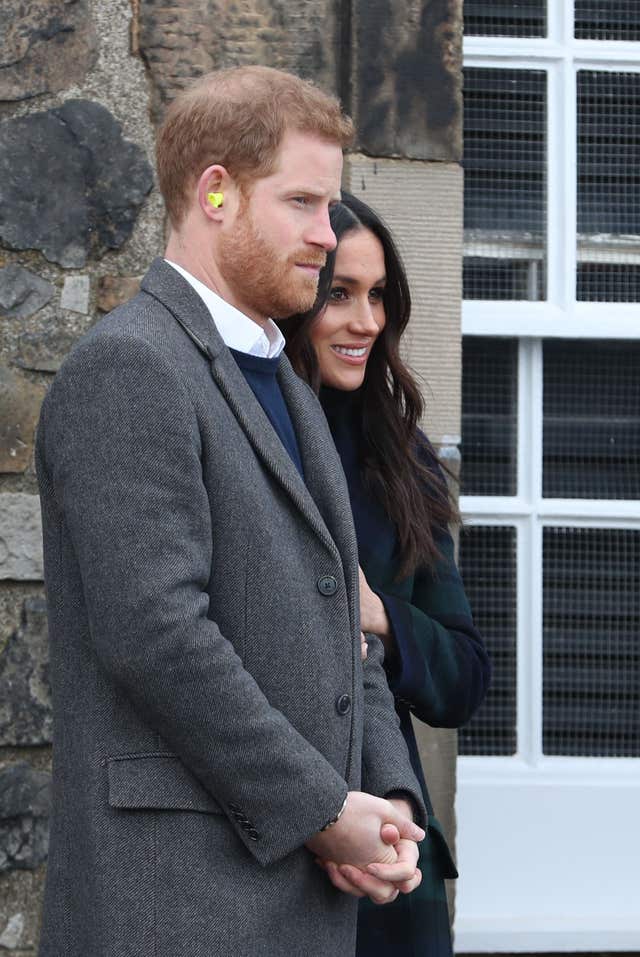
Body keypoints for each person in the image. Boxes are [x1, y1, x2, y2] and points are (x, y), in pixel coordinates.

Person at [35, 69, 429, 957]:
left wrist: (390, 797)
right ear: (215, 191)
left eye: (329, 207)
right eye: (303, 202)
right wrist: (326, 812)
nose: (327, 237)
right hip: (176, 909)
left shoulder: (284, 380)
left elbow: (346, 617)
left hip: (300, 910)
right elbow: (157, 633)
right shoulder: (130, 366)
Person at [280, 192, 491, 957]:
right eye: (339, 293)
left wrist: (382, 619)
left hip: (397, 856)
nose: (365, 321)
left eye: (378, 297)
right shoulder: (241, 435)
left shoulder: (404, 461)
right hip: (270, 846)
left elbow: (465, 675)